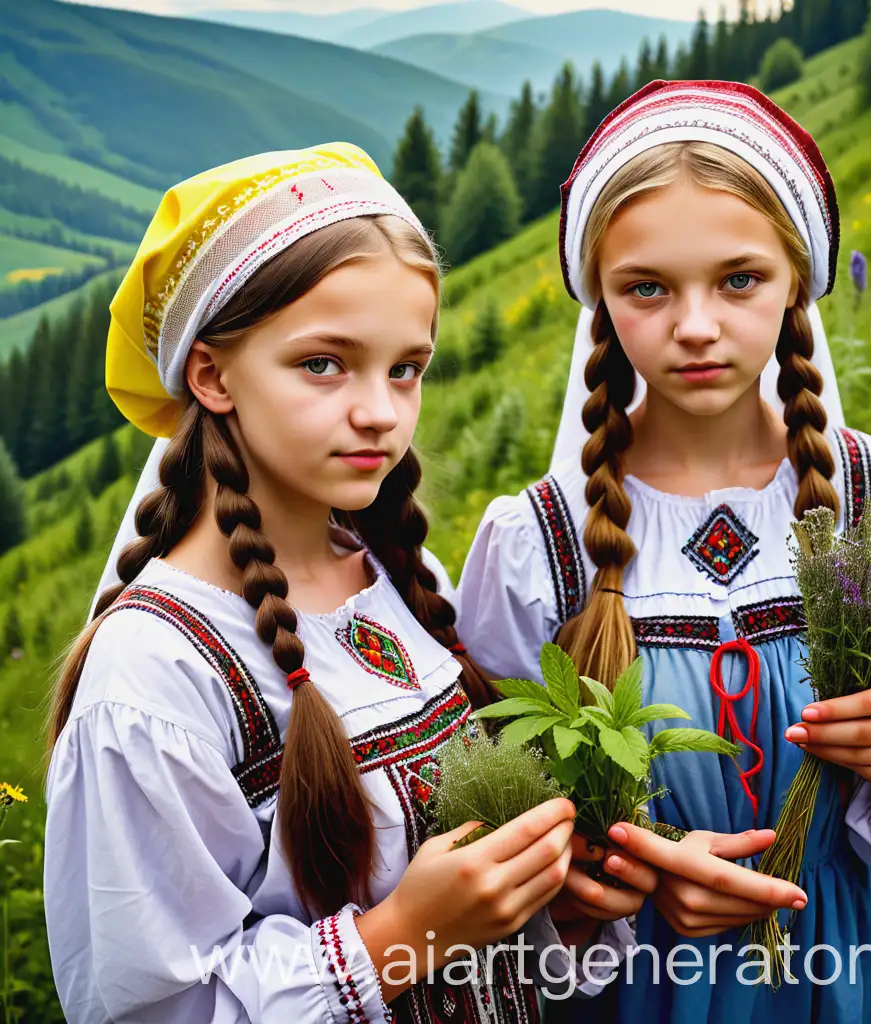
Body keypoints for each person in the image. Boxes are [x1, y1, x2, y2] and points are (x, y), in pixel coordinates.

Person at [455, 82, 871, 1021]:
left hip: (841, 970)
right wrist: (620, 876)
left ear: (796, 278)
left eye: (738, 279)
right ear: (599, 298)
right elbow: (492, 801)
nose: (695, 326)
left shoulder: (867, 497)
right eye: (646, 287)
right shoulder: (541, 543)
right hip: (640, 985)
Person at [42, 142, 637, 1024]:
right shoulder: (156, 674)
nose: (380, 412)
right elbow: (145, 1004)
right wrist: (398, 939)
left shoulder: (402, 578)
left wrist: (554, 904)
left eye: (406, 368)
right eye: (324, 363)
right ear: (210, 374)